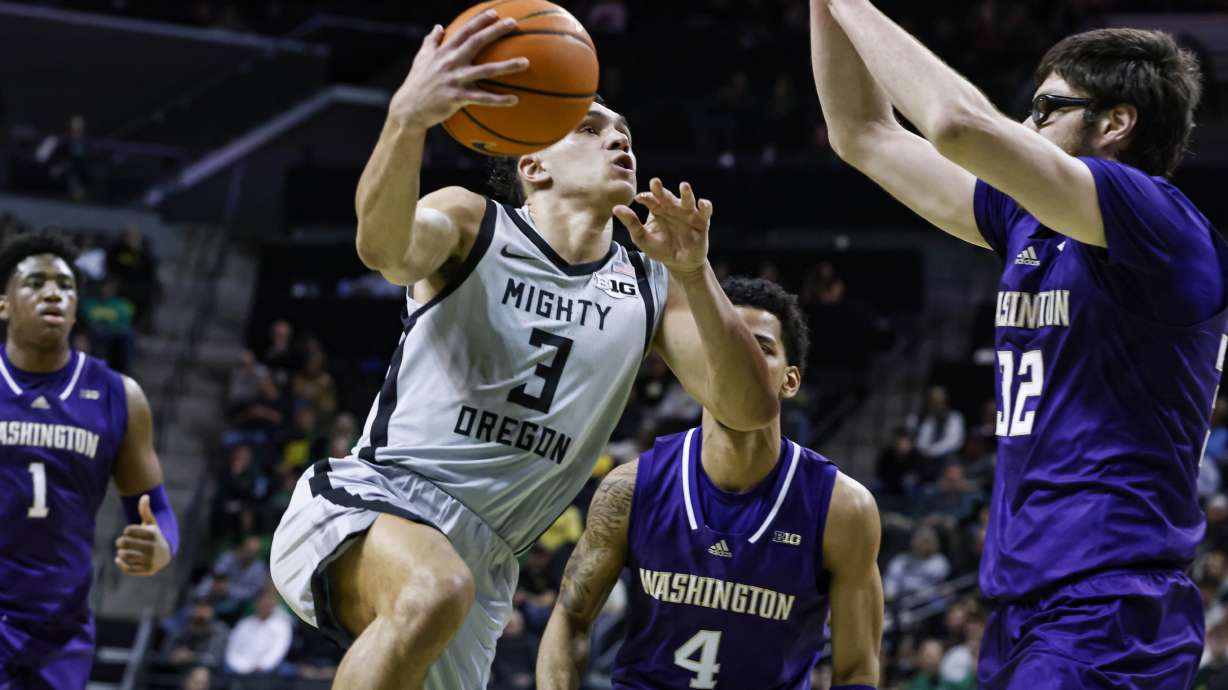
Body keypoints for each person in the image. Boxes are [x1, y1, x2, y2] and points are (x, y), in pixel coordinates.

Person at [270, 10, 777, 690]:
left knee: (443, 591)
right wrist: (408, 119)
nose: (618, 139)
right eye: (592, 128)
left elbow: (749, 407)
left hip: (487, 561)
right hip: (377, 497)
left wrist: (694, 271)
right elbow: (381, 248)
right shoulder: (473, 222)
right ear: (533, 161)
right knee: (433, 589)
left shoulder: (651, 284)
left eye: (624, 133)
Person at [810, 1, 1222, 687]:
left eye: (1047, 107)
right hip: (1023, 604)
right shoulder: (1029, 223)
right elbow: (861, 134)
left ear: (1116, 123)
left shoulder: (1161, 222)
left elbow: (955, 125)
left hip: (1109, 605)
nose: (1027, 124)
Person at [537, 277, 882, 689]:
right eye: (723, 345)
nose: (737, 362)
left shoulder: (842, 509)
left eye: (760, 349)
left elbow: (856, 672)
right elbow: (571, 619)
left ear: (790, 380)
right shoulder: (630, 487)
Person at [0, 231, 178, 689]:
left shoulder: (120, 396)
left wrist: (162, 546)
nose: (52, 293)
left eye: (65, 285)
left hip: (60, 627)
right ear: (4, 304)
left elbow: (153, 505)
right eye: (34, 283)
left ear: (77, 306)